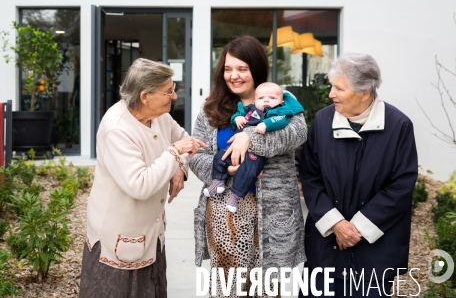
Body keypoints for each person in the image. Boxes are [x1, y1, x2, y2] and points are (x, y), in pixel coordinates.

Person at [189, 36, 307, 298]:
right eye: (228, 69)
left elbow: (297, 134)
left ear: (256, 68)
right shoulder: (211, 108)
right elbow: (196, 156)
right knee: (227, 289)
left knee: (266, 290)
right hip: (225, 216)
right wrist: (225, 170)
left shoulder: (280, 99)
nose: (234, 76)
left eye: (242, 69)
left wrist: (249, 137)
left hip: (271, 214)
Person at [79, 58, 207, 297]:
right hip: (119, 238)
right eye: (168, 92)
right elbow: (140, 185)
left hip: (151, 233)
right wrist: (175, 153)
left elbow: (185, 141)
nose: (174, 96)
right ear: (145, 96)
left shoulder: (159, 116)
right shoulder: (117, 128)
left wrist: (179, 167)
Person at [299, 53, 418, 297]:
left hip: (375, 253)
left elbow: (401, 186)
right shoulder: (322, 121)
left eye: (339, 88)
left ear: (365, 91)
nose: (331, 94)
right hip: (325, 247)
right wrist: (336, 224)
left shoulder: (399, 126)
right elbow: (310, 176)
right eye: (332, 86)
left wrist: (357, 228)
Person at [204, 82, 304, 213]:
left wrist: (266, 125)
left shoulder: (278, 112)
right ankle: (218, 181)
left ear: (281, 101)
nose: (266, 100)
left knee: (248, 172)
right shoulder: (251, 109)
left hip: (254, 155)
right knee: (219, 157)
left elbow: (282, 121)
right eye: (261, 98)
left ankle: (235, 197)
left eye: (272, 98)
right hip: (233, 150)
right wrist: (237, 118)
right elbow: (238, 114)